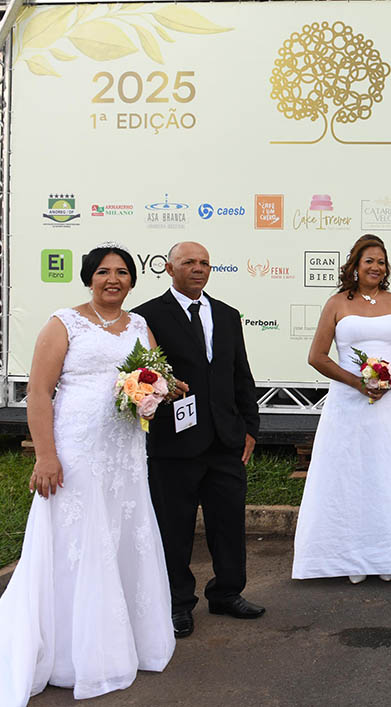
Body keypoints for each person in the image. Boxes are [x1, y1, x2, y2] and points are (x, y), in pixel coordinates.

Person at [0, 245, 174, 703]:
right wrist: (46, 455)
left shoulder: (140, 326)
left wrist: (158, 389)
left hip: (125, 451)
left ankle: (128, 641)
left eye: (122, 272)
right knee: (77, 540)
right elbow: (40, 394)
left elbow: (151, 375)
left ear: (132, 281)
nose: (113, 279)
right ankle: (70, 652)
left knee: (122, 533)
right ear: (89, 277)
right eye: (104, 271)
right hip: (76, 450)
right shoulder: (64, 323)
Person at [133, 241, 264, 640]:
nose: (198, 268)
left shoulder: (225, 315)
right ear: (169, 268)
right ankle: (177, 603)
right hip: (174, 443)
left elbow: (240, 372)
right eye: (189, 262)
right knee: (174, 527)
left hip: (225, 439)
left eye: (205, 263)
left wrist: (250, 426)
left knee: (228, 523)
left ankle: (226, 593)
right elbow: (140, 378)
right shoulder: (146, 317)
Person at [292, 235, 391, 582]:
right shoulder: (337, 303)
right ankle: (351, 557)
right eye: (369, 260)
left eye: (381, 262)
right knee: (351, 475)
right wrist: (357, 382)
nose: (376, 267)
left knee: (390, 474)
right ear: (354, 265)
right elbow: (317, 357)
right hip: (349, 402)